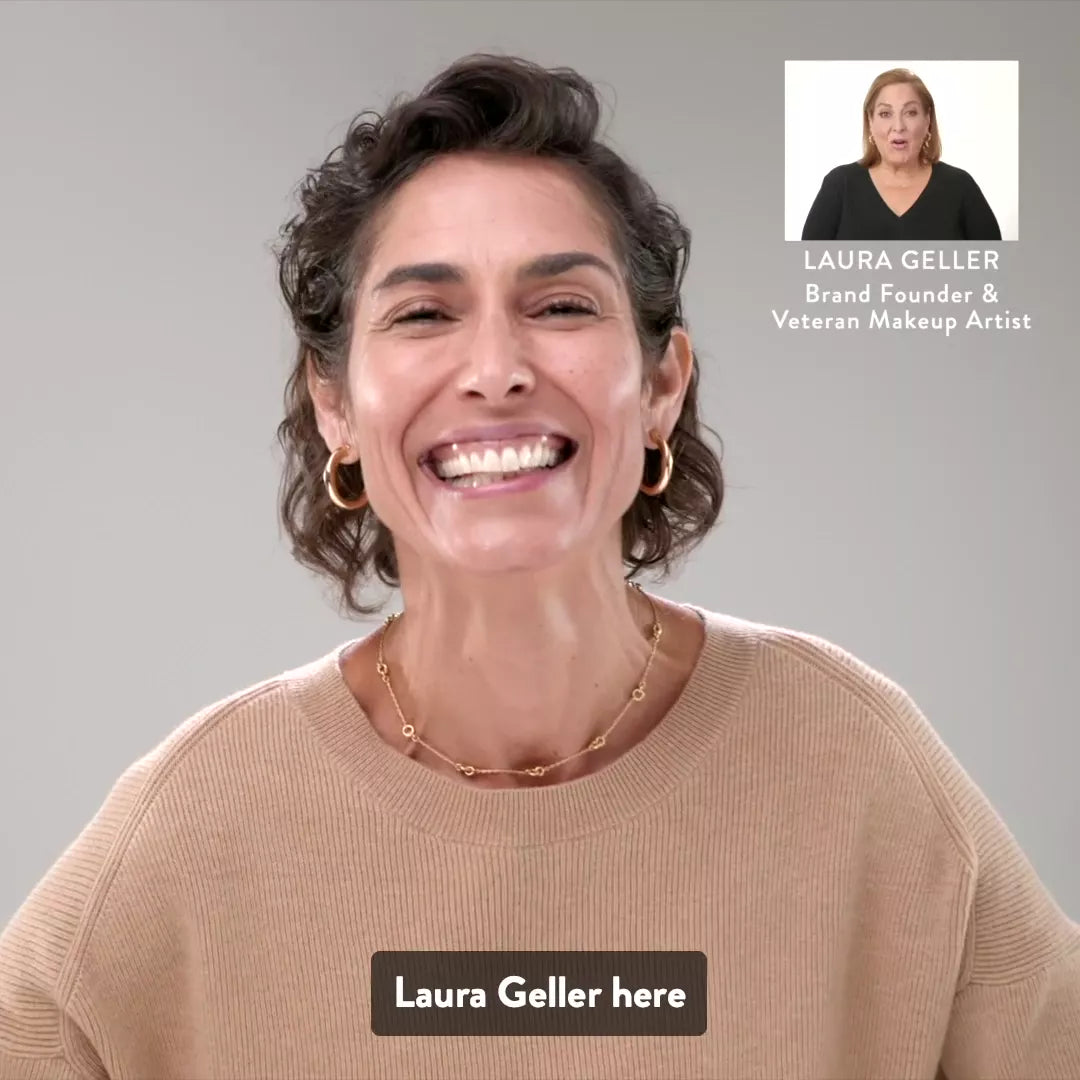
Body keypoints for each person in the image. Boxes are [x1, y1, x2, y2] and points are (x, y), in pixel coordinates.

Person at [1, 52, 1076, 1080]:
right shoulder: (197, 823)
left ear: (663, 384)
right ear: (335, 404)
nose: (497, 371)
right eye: (424, 314)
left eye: (561, 306)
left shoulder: (855, 761)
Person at [801, 67, 1003, 240]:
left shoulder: (960, 187)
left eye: (911, 113)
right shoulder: (840, 184)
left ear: (928, 120)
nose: (898, 126)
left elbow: (996, 275)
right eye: (885, 114)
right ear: (870, 122)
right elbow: (804, 273)